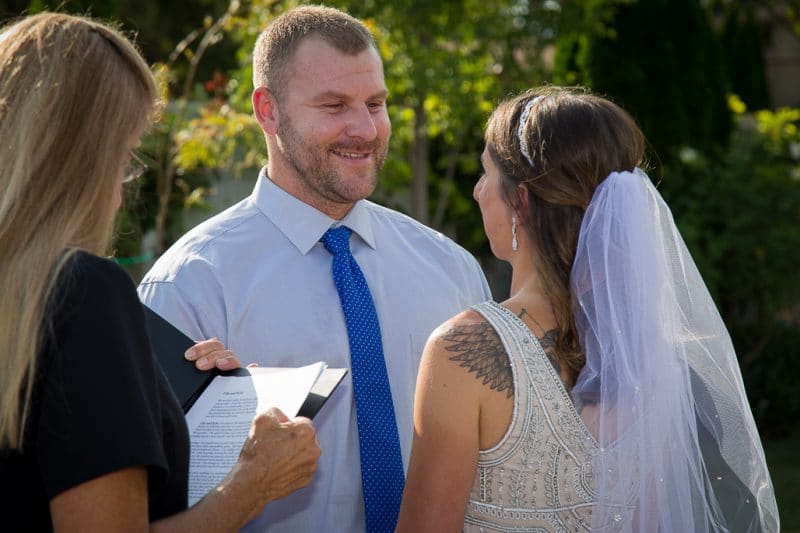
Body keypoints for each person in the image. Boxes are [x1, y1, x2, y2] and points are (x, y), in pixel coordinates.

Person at [138, 5, 491, 532]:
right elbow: (155, 499)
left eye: (376, 103)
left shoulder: (452, 271)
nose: (365, 129)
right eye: (334, 105)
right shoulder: (190, 285)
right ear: (268, 111)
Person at [395, 86, 780, 532]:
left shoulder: (463, 348)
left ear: (520, 199)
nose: (478, 191)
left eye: (485, 173)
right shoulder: (652, 362)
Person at [0, 13, 320, 531]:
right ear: (79, 158)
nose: (123, 189)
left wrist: (169, 392)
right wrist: (254, 484)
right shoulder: (78, 290)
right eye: (124, 158)